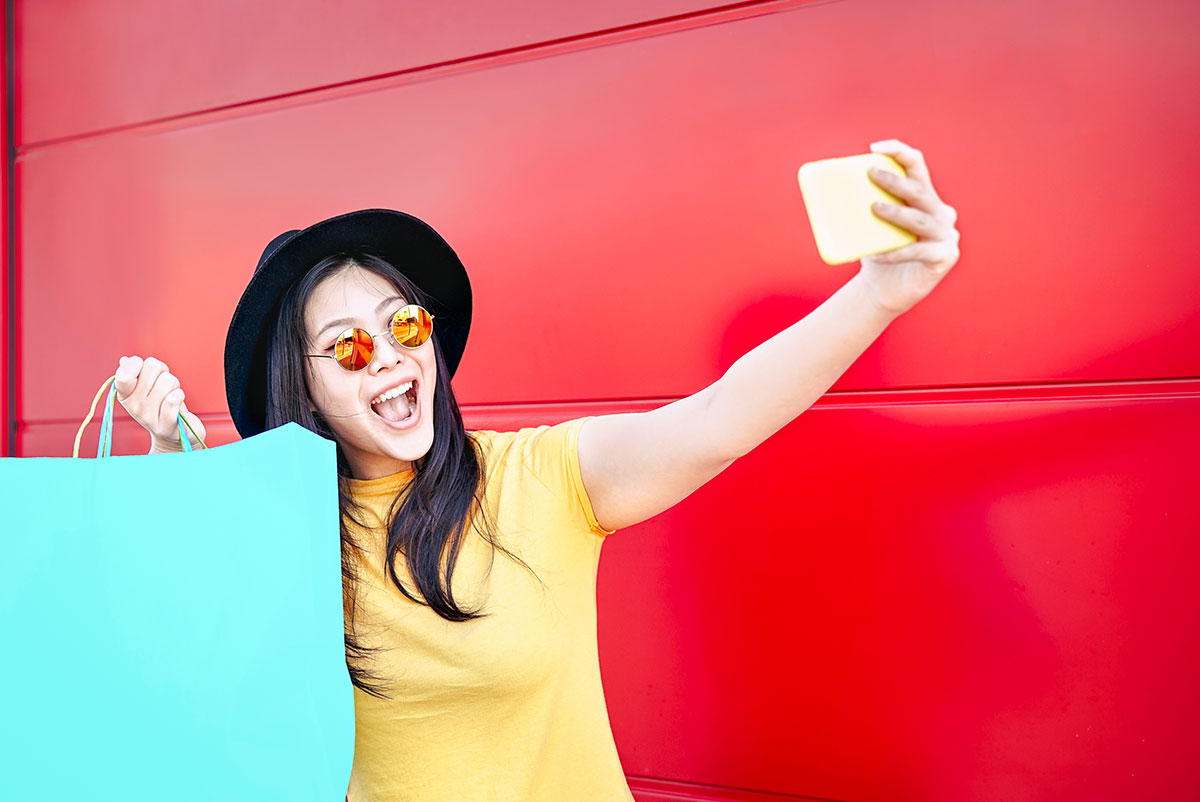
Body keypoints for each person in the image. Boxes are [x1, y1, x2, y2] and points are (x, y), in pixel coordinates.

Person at [113, 139, 959, 801]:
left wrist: (879, 292)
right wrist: (161, 451)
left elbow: (717, 419)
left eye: (401, 326)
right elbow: (175, 644)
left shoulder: (538, 478)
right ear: (306, 388)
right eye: (349, 349)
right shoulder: (284, 530)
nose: (390, 362)